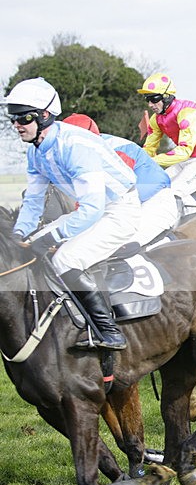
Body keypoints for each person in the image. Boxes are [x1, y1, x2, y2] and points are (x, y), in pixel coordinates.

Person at [5, 78, 141, 350]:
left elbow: (93, 209)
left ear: (45, 116)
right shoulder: (36, 152)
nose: (17, 125)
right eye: (13, 120)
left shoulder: (75, 146)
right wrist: (18, 235)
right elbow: (32, 202)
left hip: (119, 210)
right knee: (30, 246)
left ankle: (110, 331)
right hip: (94, 210)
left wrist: (51, 237)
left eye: (23, 118)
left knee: (65, 258)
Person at [62, 113, 180, 246]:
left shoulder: (115, 152)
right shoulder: (92, 149)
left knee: (115, 245)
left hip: (154, 203)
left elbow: (103, 194)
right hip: (130, 204)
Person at [137, 73, 196, 214]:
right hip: (184, 162)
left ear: (166, 96)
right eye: (147, 99)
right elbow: (149, 148)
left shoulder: (188, 112)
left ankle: (192, 221)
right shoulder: (156, 120)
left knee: (171, 193)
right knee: (155, 186)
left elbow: (184, 151)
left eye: (153, 99)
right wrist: (138, 163)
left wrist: (153, 161)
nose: (150, 104)